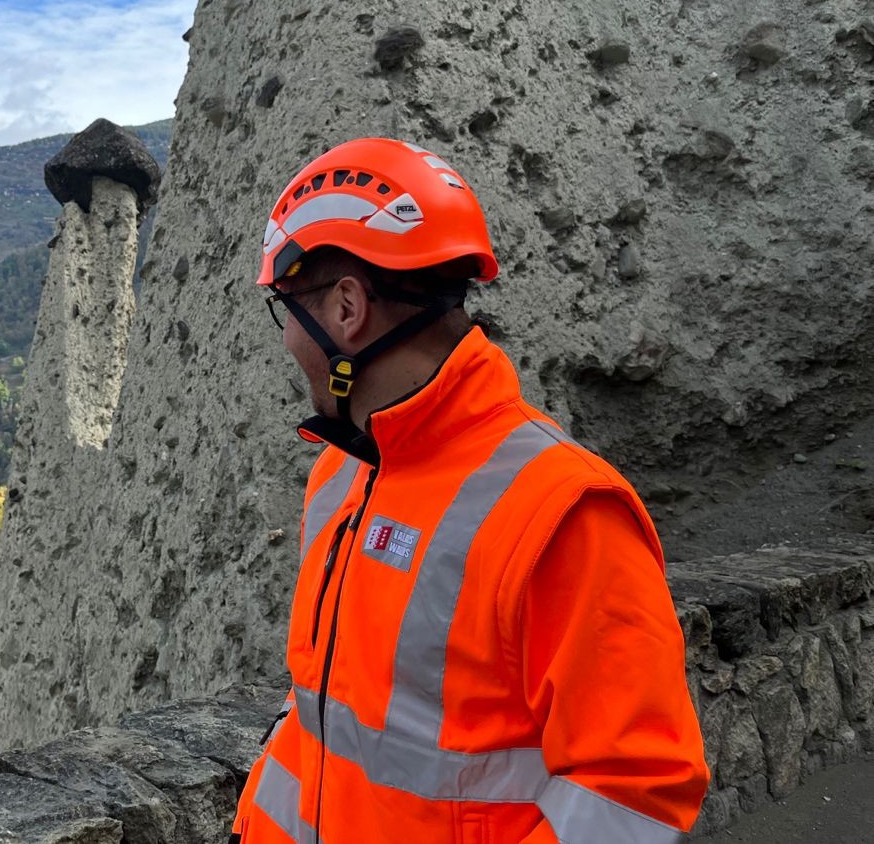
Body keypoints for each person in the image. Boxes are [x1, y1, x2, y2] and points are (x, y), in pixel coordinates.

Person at [231, 138, 708, 843]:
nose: (287, 345)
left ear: (345, 309)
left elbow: (631, 800)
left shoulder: (561, 510)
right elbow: (324, 720)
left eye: (288, 313)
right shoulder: (345, 476)